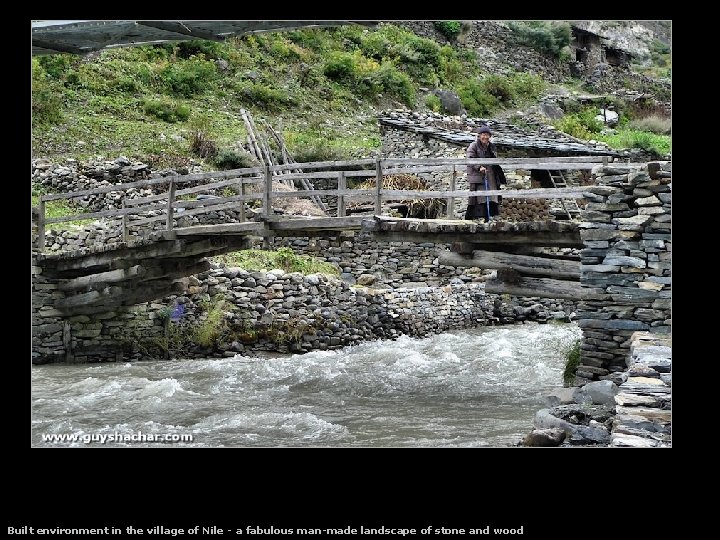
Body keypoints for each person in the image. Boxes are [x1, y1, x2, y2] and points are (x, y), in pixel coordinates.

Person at [465, 125, 506, 221]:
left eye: (487, 135)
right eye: (483, 135)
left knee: (492, 196)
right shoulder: (473, 145)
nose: (485, 137)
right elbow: (470, 158)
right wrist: (479, 167)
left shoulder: (491, 146)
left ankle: (489, 218)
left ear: (490, 136)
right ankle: (478, 218)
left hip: (490, 175)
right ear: (479, 136)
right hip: (478, 175)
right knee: (479, 197)